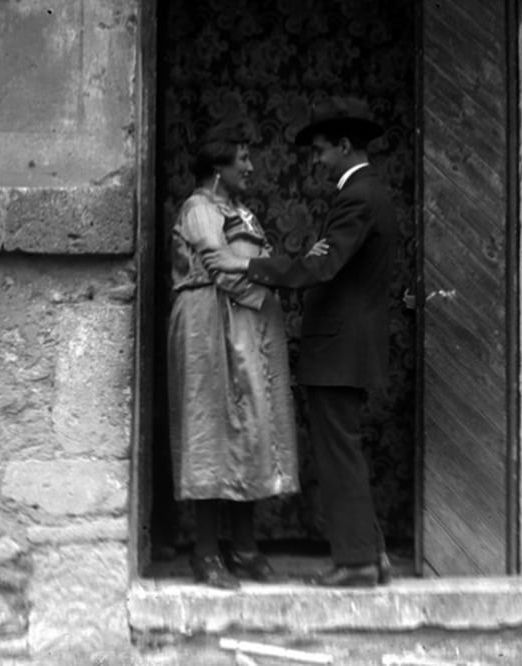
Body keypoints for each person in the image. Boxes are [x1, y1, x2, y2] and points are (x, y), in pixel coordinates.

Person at [202, 96, 398, 587]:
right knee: (344, 449)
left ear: (345, 146)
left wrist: (245, 265)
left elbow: (319, 266)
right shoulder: (373, 193)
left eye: (321, 151)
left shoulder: (358, 197)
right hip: (348, 347)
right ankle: (370, 554)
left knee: (339, 454)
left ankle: (355, 562)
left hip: (339, 348)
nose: (316, 161)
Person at [168, 117, 322, 589]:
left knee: (250, 430)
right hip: (207, 327)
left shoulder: (241, 211)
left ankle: (244, 546)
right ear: (218, 167)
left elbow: (250, 264)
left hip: (244, 328)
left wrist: (268, 275)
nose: (252, 167)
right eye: (243, 159)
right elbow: (222, 269)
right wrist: (273, 280)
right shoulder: (198, 209)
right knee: (211, 431)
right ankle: (207, 552)